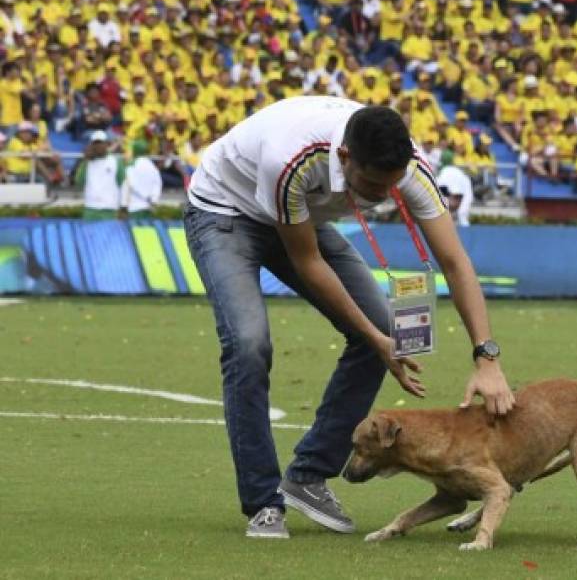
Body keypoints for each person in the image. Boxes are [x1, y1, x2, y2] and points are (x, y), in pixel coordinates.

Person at [183, 97, 514, 539]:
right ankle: (263, 502)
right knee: (248, 343)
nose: (384, 195)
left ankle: (308, 474)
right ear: (344, 158)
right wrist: (374, 338)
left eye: (392, 186)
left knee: (384, 333)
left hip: (301, 217)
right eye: (374, 186)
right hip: (224, 211)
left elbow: (455, 262)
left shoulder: (410, 167)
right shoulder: (292, 158)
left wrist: (486, 357)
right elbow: (307, 261)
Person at [74, 131, 125, 220]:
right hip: (90, 209)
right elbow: (79, 182)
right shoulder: (87, 162)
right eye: (95, 143)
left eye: (100, 142)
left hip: (109, 210)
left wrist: (123, 206)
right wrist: (85, 161)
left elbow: (123, 184)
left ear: (106, 144)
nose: (98, 146)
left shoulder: (116, 161)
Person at [120, 140, 162, 220]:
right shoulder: (153, 167)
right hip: (148, 208)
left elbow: (126, 186)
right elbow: (157, 185)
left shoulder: (131, 166)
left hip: (133, 209)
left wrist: (123, 205)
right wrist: (154, 201)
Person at [436, 163, 474, 227]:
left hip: (462, 190)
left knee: (462, 215)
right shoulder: (443, 174)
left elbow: (456, 195)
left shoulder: (454, 175)